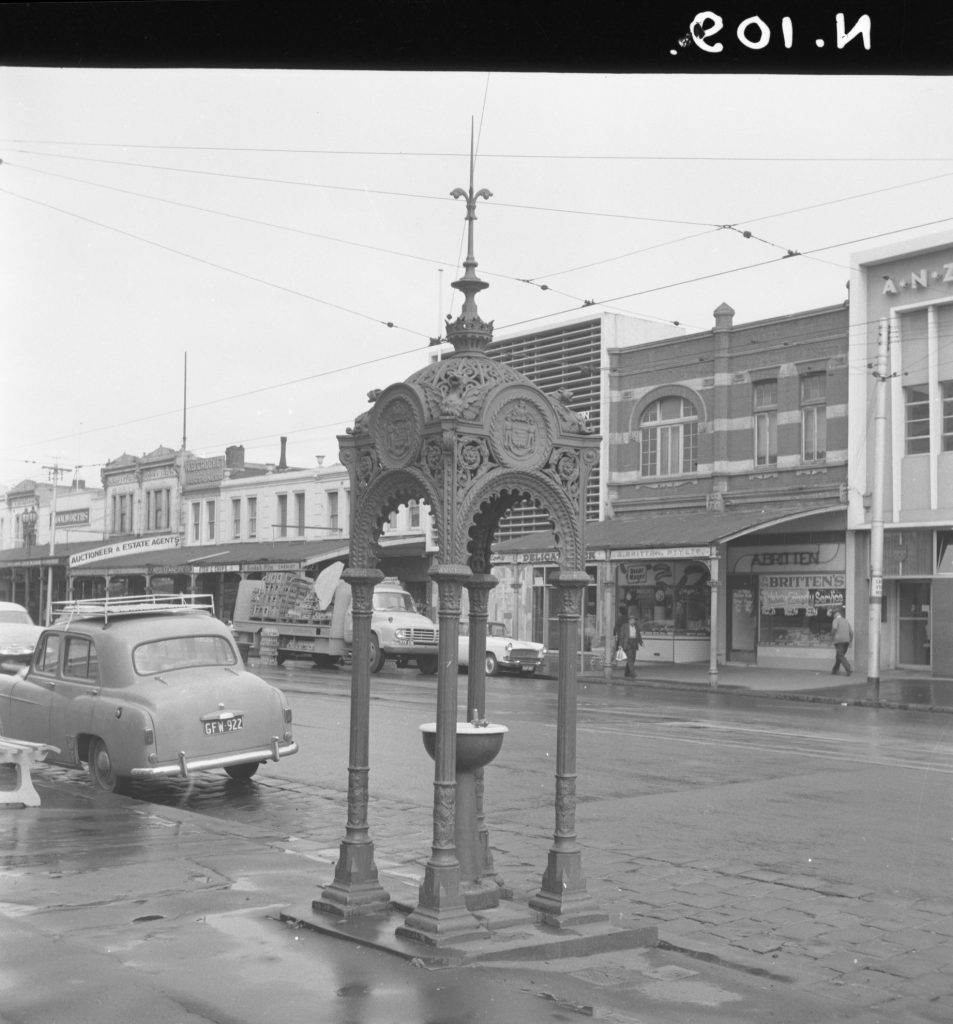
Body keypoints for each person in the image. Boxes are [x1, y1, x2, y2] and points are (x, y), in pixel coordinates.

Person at [613, 604, 643, 678]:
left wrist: (641, 642)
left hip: (634, 643)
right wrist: (620, 645)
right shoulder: (625, 626)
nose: (634, 621)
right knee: (630, 658)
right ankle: (633, 673)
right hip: (627, 643)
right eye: (632, 620)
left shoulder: (636, 627)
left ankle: (627, 672)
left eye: (634, 620)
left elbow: (638, 635)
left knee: (633, 658)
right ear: (629, 620)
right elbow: (622, 636)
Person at [831, 607, 853, 676]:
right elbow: (851, 632)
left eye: (833, 615)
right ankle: (835, 670)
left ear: (835, 615)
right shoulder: (846, 621)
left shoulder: (835, 620)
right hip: (846, 641)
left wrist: (832, 635)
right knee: (839, 656)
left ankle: (848, 668)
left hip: (839, 641)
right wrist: (850, 640)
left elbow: (834, 628)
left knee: (840, 655)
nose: (833, 616)